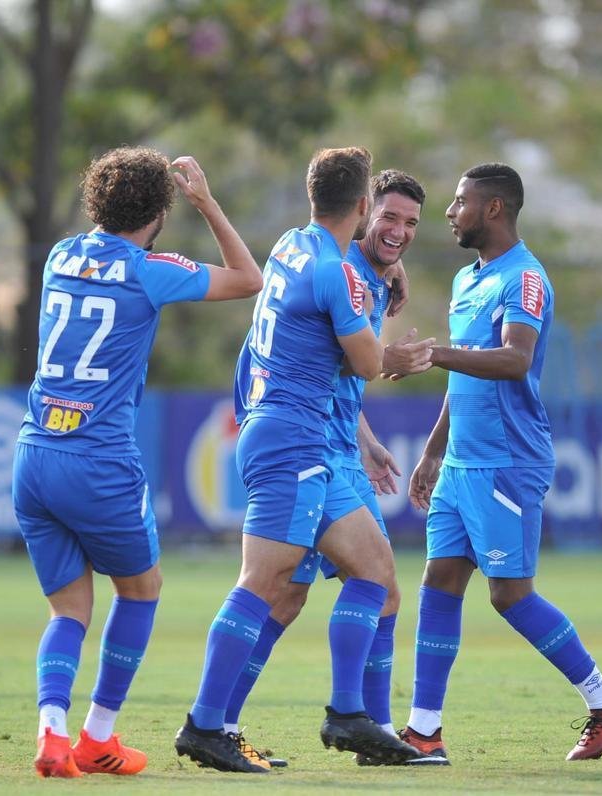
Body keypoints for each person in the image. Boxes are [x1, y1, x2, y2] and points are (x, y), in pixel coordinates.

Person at [12, 147, 262, 778]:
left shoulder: (60, 254)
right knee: (141, 589)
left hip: (34, 453)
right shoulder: (150, 269)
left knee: (68, 608)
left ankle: (50, 730)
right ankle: (98, 736)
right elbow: (247, 278)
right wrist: (206, 202)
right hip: (98, 460)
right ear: (158, 209)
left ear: (95, 199)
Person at [174, 147, 424, 773]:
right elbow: (367, 363)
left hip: (298, 438)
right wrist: (397, 354)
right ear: (364, 207)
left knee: (374, 575)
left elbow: (324, 341)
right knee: (264, 583)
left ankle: (347, 714)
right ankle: (206, 724)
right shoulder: (336, 273)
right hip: (291, 441)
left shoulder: (293, 244)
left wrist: (207, 202)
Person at [399, 163, 602, 762]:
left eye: (460, 202)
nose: (451, 213)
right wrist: (432, 451)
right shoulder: (464, 280)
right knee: (439, 581)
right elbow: (463, 378)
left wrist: (433, 353)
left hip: (508, 462)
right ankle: (424, 733)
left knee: (509, 595)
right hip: (460, 463)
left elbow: (513, 360)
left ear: (495, 208)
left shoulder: (525, 278)